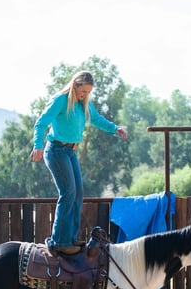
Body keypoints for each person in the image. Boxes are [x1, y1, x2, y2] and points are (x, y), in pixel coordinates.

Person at [30, 70, 128, 254]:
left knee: (78, 194)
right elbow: (41, 122)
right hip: (56, 150)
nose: (85, 95)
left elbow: (97, 119)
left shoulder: (83, 104)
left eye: (88, 92)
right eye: (84, 91)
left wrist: (115, 129)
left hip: (70, 151)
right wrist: (38, 145)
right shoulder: (60, 100)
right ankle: (58, 241)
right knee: (68, 192)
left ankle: (70, 239)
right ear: (75, 85)